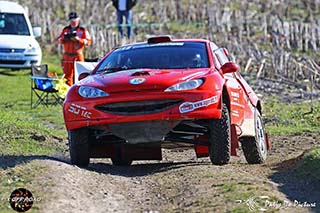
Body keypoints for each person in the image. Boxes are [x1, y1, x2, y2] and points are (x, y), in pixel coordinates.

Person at [57, 12, 92, 86]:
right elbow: (59, 39)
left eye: (75, 20)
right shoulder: (66, 30)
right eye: (71, 21)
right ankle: (67, 93)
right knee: (67, 76)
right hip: (67, 56)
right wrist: (64, 39)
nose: (73, 22)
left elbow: (88, 42)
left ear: (78, 20)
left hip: (78, 56)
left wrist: (78, 40)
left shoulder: (82, 30)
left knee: (80, 76)